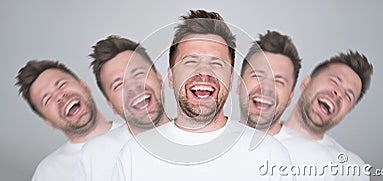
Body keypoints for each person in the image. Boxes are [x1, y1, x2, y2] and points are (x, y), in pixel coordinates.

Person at [111, 9, 293, 181]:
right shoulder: (134, 155)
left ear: (230, 81)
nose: (204, 72)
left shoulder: (270, 154)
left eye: (217, 63)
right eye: (190, 62)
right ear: (171, 78)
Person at [73, 35, 170, 181]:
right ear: (111, 106)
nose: (132, 87)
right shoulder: (94, 155)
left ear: (159, 78)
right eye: (118, 85)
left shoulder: (199, 138)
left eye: (138, 73)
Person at [15, 60, 122, 181]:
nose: (59, 96)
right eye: (48, 99)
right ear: (50, 123)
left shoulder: (141, 135)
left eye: (61, 85)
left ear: (84, 86)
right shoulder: (48, 173)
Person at [275, 50, 373, 180]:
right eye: (334, 81)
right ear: (306, 83)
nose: (339, 93)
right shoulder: (254, 139)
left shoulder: (352, 169)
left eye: (348, 96)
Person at [238, 30, 301, 135]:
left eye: (279, 81)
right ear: (239, 84)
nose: (266, 87)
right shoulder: (213, 143)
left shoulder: (303, 151)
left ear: (290, 98)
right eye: (258, 76)